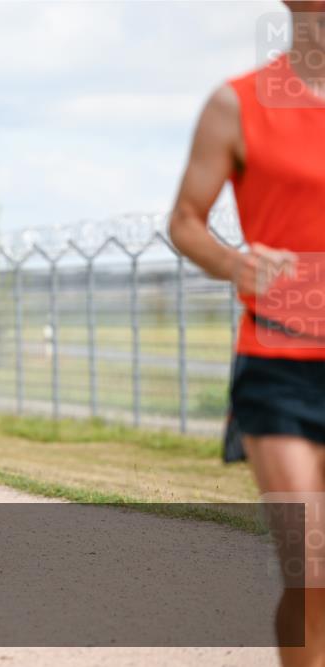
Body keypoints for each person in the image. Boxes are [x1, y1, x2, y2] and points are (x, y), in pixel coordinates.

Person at [169, 5, 324, 664]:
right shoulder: (237, 104)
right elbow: (185, 220)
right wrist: (238, 263)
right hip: (280, 359)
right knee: (311, 569)